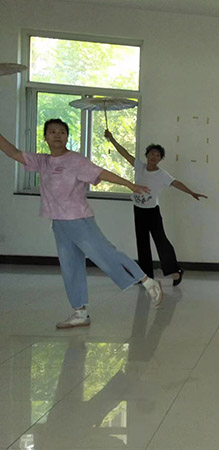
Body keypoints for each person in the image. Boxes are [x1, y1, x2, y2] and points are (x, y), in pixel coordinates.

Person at [0, 119, 163, 329]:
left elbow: (100, 172)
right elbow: (13, 153)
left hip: (78, 219)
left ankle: (147, 281)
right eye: (52, 132)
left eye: (62, 132)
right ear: (45, 137)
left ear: (67, 137)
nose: (57, 135)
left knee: (105, 254)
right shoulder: (43, 161)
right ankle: (80, 312)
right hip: (59, 222)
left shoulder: (75, 160)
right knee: (70, 267)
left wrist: (130, 185)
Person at [105, 130, 206, 286]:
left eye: (157, 155)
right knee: (142, 243)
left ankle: (175, 270)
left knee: (161, 241)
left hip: (152, 212)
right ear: (147, 155)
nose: (154, 157)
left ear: (160, 159)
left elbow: (176, 183)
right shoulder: (139, 166)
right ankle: (145, 276)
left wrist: (191, 192)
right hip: (138, 210)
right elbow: (124, 154)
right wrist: (112, 139)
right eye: (152, 154)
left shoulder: (162, 175)